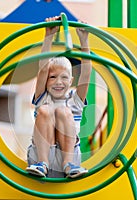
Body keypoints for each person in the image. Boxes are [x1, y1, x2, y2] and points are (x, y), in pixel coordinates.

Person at [26, 16, 92, 178]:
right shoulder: (43, 97)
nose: (58, 82)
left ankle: (69, 164)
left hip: (69, 156)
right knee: (45, 110)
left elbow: (86, 74)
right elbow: (42, 69)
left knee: (63, 111)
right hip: (41, 155)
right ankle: (42, 163)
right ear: (46, 80)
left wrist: (84, 41)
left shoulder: (75, 101)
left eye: (64, 77)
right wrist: (48, 37)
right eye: (52, 77)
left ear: (71, 81)